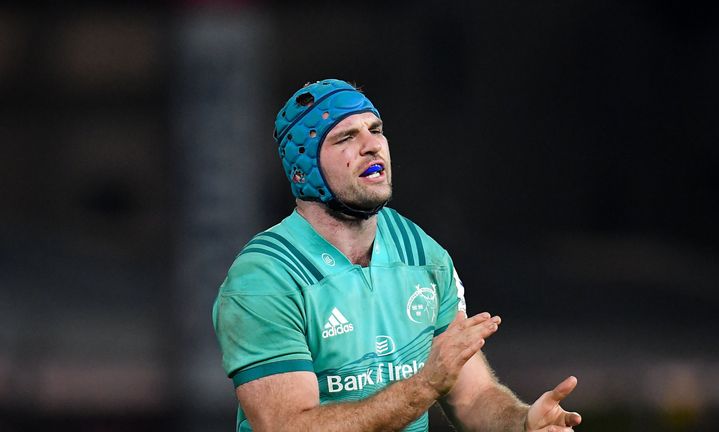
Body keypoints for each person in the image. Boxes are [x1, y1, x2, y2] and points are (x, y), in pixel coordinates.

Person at [213, 79, 582, 432]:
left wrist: (521, 423)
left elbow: (474, 398)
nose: (371, 145)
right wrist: (424, 385)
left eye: (375, 130)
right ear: (304, 168)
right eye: (346, 137)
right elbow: (288, 427)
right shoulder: (264, 279)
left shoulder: (422, 253)